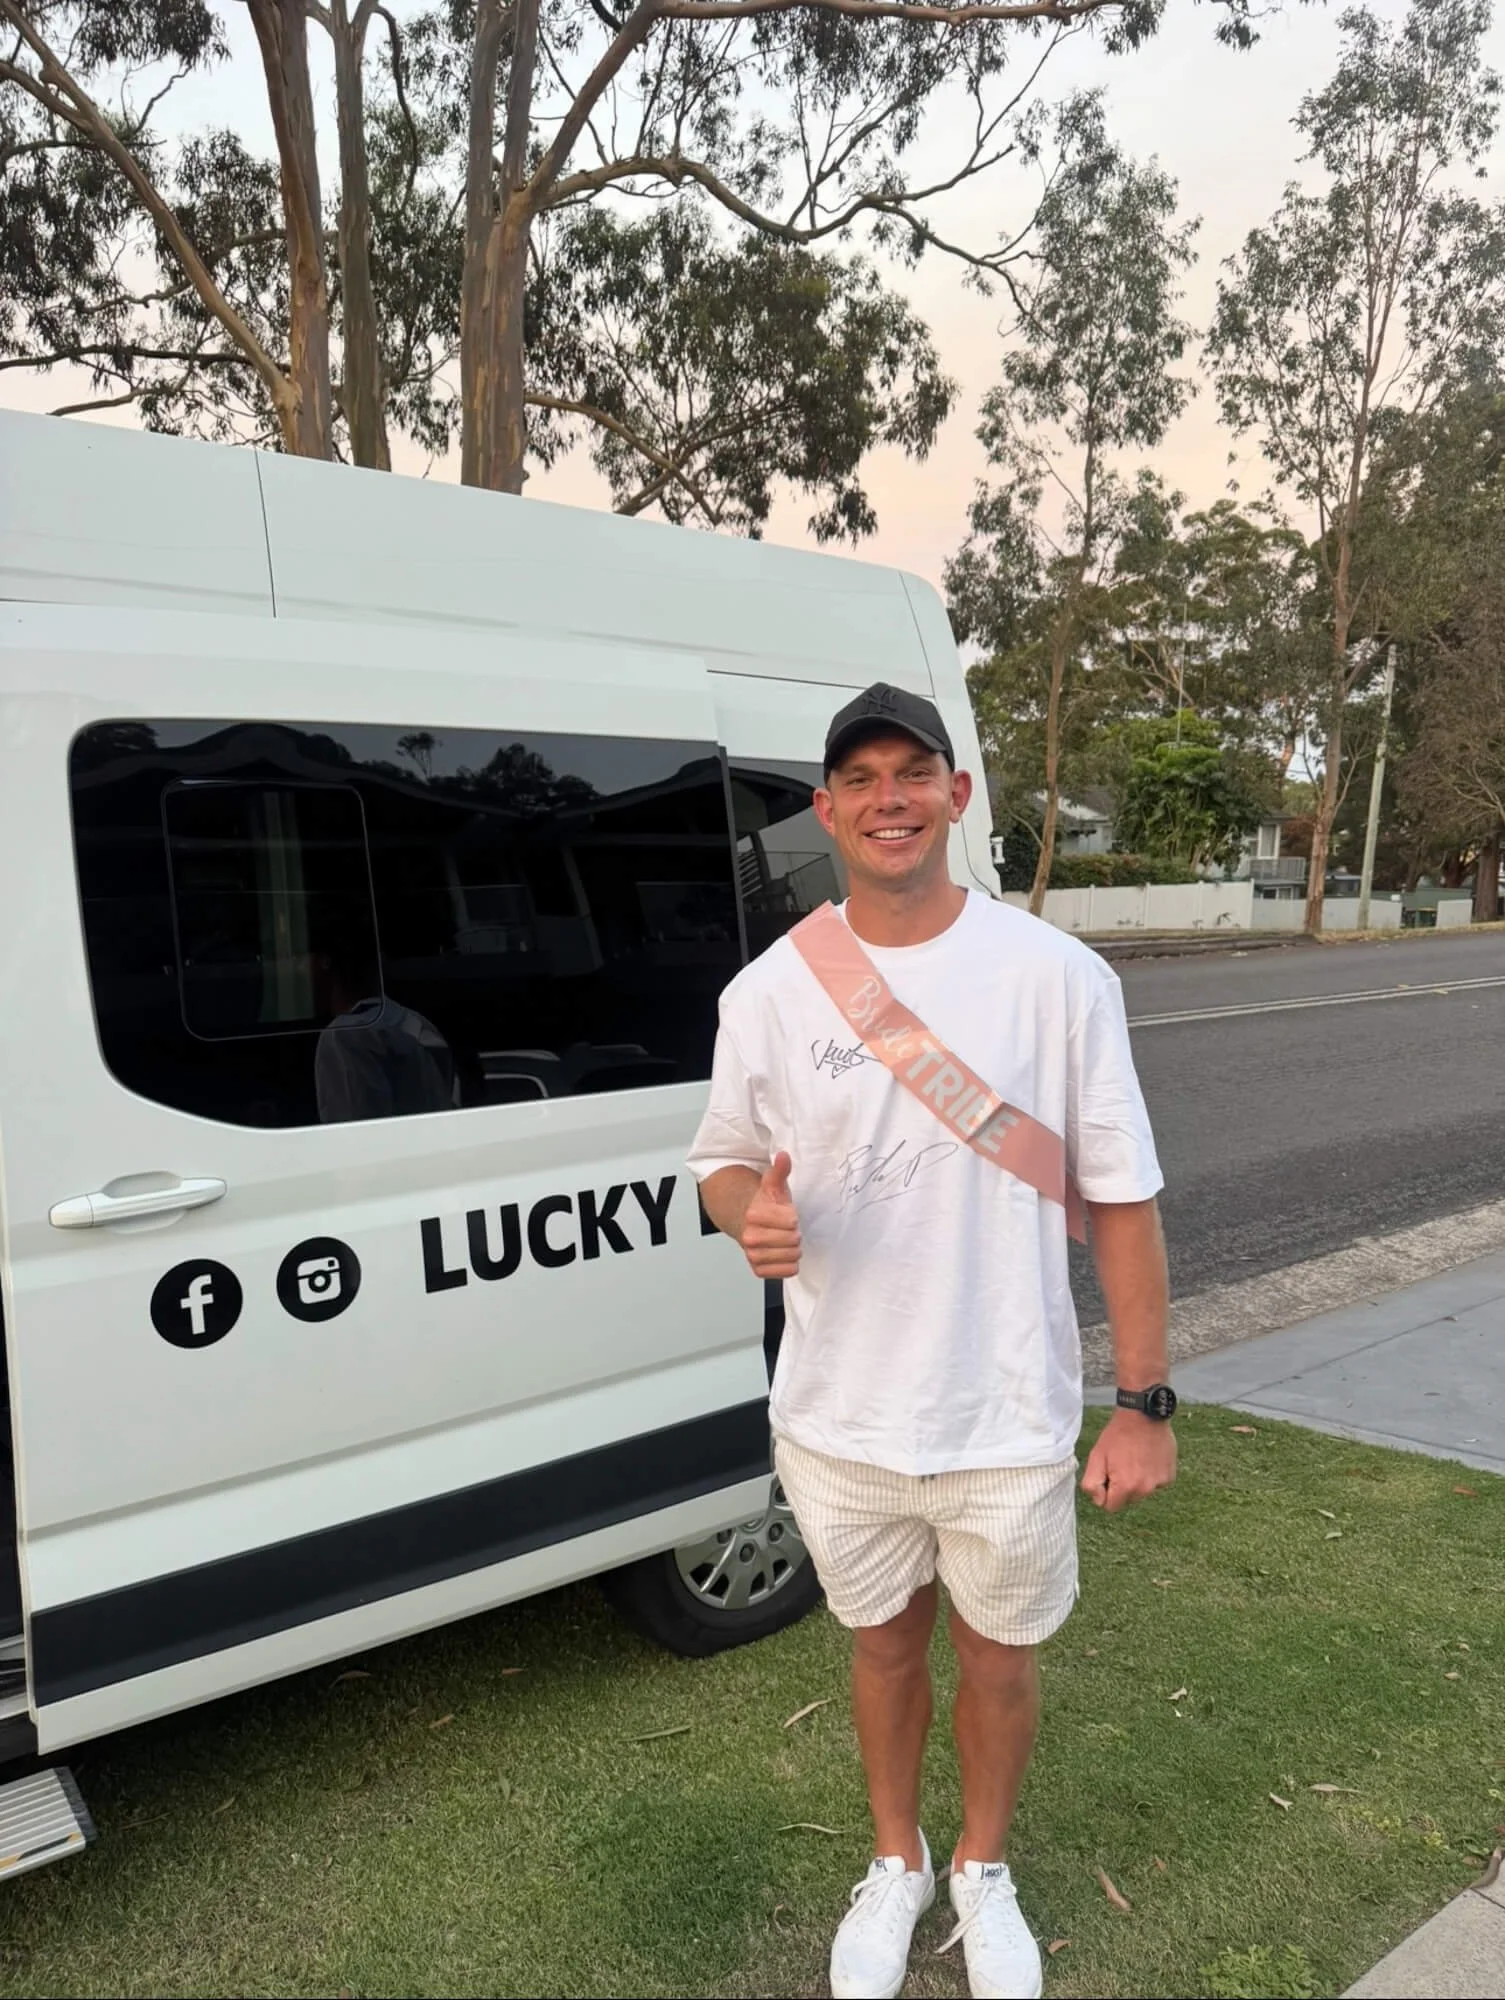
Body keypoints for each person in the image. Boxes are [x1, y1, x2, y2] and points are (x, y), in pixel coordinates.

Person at [688, 684, 1175, 2000]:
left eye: (916, 773)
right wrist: (752, 1219)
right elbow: (720, 1165)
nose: (890, 797)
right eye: (863, 778)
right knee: (883, 1645)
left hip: (1007, 1410)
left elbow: (1121, 1199)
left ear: (958, 795)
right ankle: (896, 1861)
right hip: (838, 1413)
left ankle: (983, 1865)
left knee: (998, 1657)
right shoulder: (770, 994)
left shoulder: (1059, 979)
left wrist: (1143, 1404)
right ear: (825, 808)